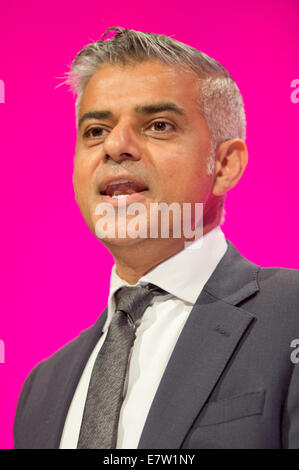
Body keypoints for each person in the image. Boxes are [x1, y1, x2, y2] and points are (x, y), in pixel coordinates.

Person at [13, 27, 299, 449]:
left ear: (223, 165)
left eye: (158, 125)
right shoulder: (41, 389)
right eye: (95, 130)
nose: (116, 145)